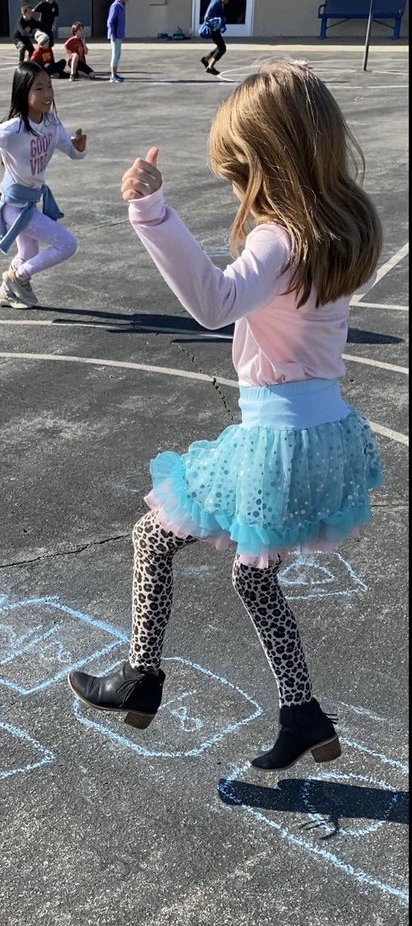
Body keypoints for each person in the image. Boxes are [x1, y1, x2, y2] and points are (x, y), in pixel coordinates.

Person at [68, 59, 384, 772]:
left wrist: (152, 213)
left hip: (275, 439)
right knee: (253, 575)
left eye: (238, 172)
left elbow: (213, 302)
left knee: (152, 534)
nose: (237, 188)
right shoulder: (340, 226)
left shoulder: (278, 238)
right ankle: (302, 713)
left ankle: (139, 677)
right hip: (324, 431)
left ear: (267, 159)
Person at [0, 62, 87, 310]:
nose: (47, 95)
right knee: (67, 244)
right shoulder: (13, 128)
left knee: (29, 253)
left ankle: (5, 293)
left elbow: (73, 153)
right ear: (23, 93)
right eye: (39, 89)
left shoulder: (52, 124)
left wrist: (80, 146)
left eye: (50, 87)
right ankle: (18, 278)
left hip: (30, 201)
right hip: (12, 205)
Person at [199, 0, 227, 75]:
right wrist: (219, 21)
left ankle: (205, 59)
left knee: (220, 46)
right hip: (212, 29)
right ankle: (210, 67)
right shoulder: (216, 3)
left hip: (215, 29)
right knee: (222, 48)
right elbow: (207, 18)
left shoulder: (219, 3)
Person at [107, 0, 127, 84]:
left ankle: (115, 73)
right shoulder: (115, 6)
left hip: (119, 34)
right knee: (115, 54)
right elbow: (110, 21)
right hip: (115, 34)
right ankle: (112, 76)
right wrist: (111, 33)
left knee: (118, 54)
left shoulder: (121, 5)